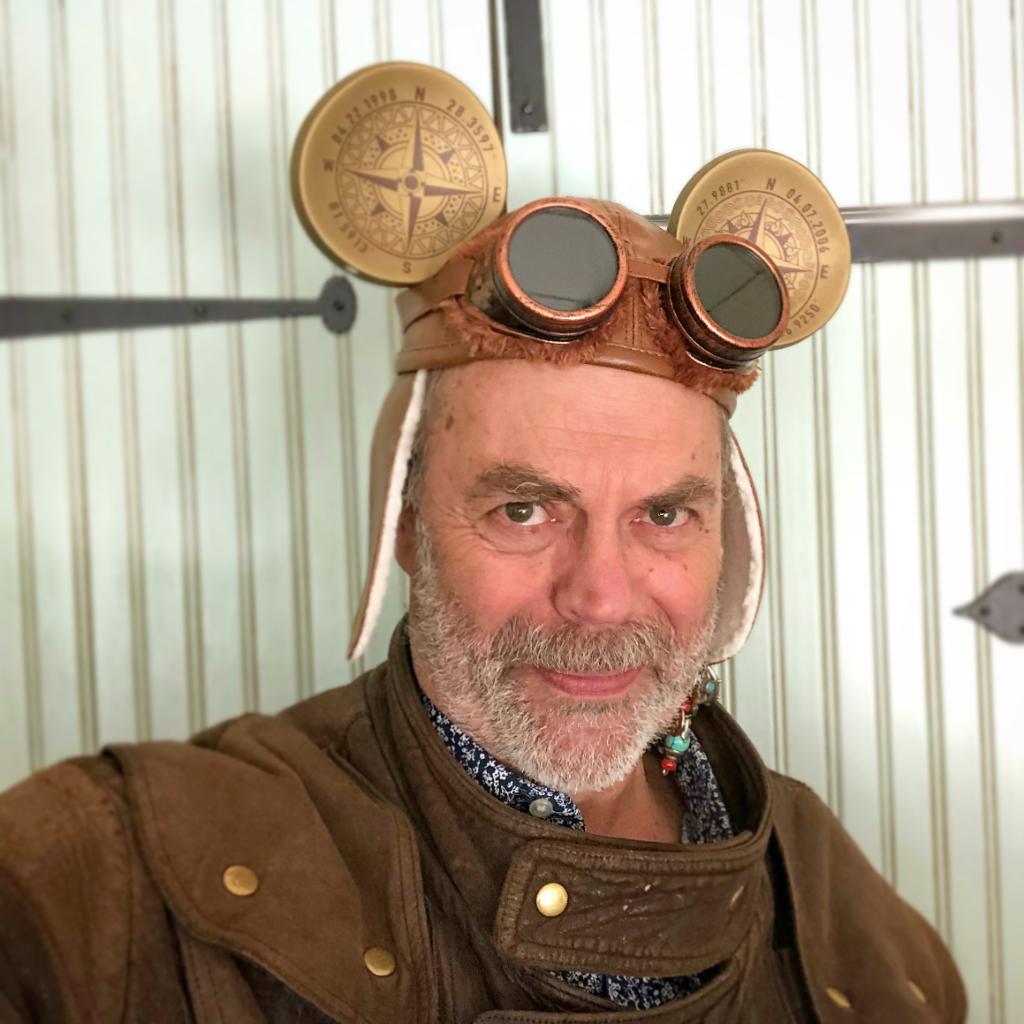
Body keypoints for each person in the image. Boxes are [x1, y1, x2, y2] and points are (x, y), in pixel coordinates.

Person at [0, 182, 965, 1021]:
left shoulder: (832, 894)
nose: (601, 597)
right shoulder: (108, 882)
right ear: (408, 521)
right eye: (524, 510)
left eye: (665, 514)